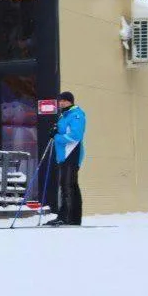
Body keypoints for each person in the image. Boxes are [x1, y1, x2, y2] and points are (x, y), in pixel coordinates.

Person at [48, 91, 86, 226]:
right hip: (64, 156)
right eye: (60, 101)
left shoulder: (76, 115)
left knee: (67, 186)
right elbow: (63, 131)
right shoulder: (64, 116)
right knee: (70, 185)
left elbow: (75, 136)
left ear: (71, 101)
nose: (62, 103)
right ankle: (73, 218)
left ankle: (66, 217)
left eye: (65, 100)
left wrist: (57, 137)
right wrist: (55, 130)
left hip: (72, 154)